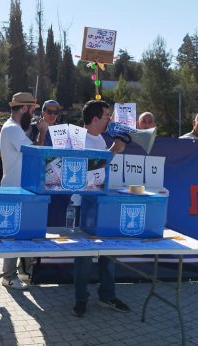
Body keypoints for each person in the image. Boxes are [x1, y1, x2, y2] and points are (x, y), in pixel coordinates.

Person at [73, 100, 128, 318]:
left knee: (109, 252)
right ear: (95, 118)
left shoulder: (100, 138)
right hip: (83, 203)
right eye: (107, 116)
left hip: (101, 203)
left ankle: (107, 295)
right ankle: (80, 300)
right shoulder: (79, 139)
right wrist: (113, 151)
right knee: (84, 255)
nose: (110, 120)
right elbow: (88, 170)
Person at [0, 92, 44, 290]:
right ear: (24, 108)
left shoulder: (15, 128)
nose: (34, 114)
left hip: (20, 188)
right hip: (14, 188)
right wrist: (42, 132)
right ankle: (8, 275)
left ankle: (22, 271)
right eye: (33, 109)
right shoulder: (12, 129)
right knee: (13, 234)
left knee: (22, 233)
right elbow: (36, 153)